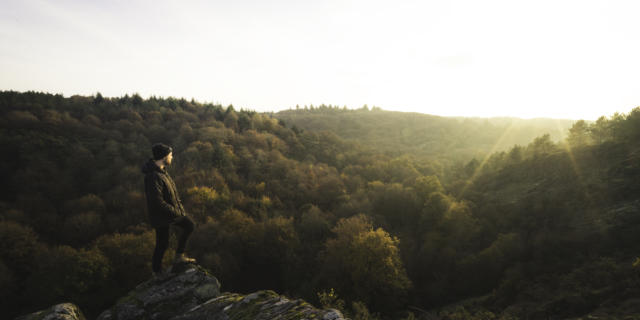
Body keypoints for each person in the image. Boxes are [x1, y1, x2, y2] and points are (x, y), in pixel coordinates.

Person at [142, 143, 196, 279]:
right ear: (164, 156)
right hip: (162, 215)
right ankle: (157, 272)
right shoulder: (153, 176)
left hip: (171, 212)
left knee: (189, 225)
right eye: (170, 155)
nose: (172, 157)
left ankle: (179, 256)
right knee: (162, 243)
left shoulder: (162, 171)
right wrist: (175, 212)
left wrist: (178, 209)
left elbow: (171, 193)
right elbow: (157, 202)